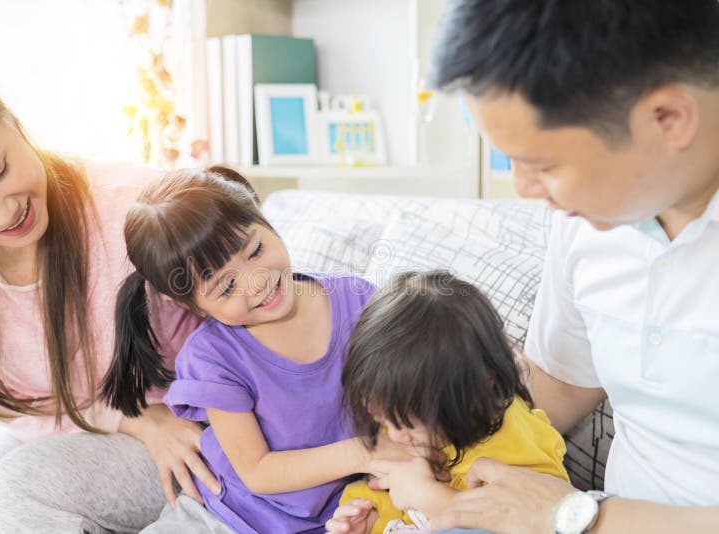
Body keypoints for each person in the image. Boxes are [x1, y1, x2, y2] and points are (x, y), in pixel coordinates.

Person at [426, 1, 719, 533]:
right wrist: (423, 443)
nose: (524, 189)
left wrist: (574, 515)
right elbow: (554, 391)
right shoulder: (589, 221)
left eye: (544, 165)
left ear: (667, 119)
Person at [0, 49, 220, 533]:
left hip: (194, 428)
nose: (0, 215)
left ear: (12, 121)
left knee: (20, 493)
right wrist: (133, 419)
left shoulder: (138, 207)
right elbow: (17, 409)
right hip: (97, 425)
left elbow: (262, 306)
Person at [101, 168, 409, 534]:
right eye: (226, 286)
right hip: (230, 519)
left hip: (344, 515)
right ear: (190, 304)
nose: (258, 281)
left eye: (256, 250)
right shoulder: (212, 357)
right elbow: (258, 471)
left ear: (262, 217)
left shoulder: (360, 303)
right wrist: (364, 451)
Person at [323, 271, 568, 534]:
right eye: (383, 420)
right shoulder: (405, 416)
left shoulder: (513, 441)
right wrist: (370, 517)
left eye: (407, 424)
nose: (395, 436)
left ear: (472, 395)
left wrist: (426, 494)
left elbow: (541, 519)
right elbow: (389, 490)